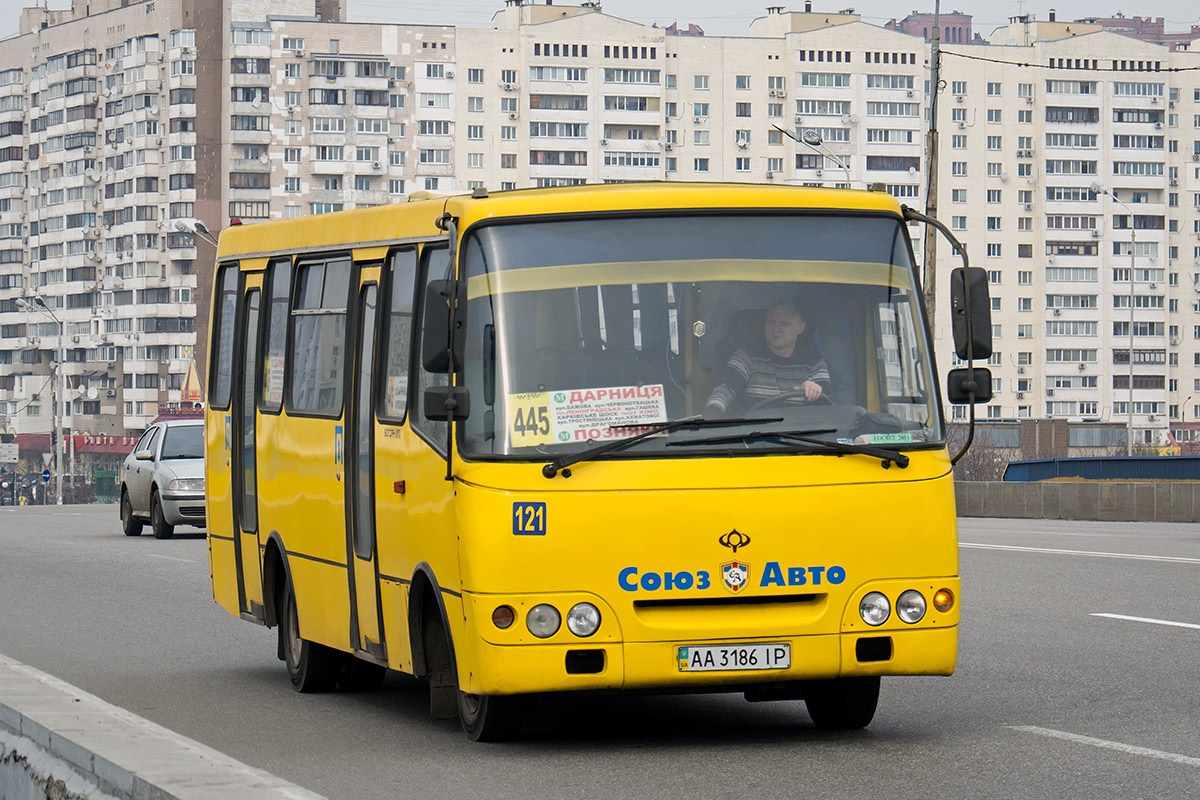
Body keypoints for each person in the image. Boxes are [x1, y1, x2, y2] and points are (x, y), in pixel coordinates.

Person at [705, 301, 831, 416]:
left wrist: (814, 390)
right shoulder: (746, 357)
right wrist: (712, 412)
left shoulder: (813, 362)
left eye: (783, 323)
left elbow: (827, 402)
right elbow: (726, 389)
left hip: (802, 436)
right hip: (753, 435)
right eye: (771, 322)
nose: (776, 329)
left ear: (800, 328)